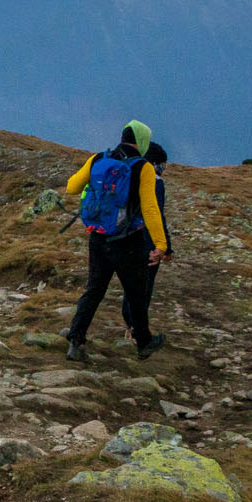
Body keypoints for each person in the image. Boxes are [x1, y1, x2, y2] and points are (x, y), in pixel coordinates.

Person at [63, 120, 169, 362]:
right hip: (128, 241)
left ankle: (75, 340)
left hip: (98, 237)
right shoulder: (143, 167)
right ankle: (144, 343)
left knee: (94, 291)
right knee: (136, 293)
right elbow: (151, 209)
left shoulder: (99, 158)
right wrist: (160, 245)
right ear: (142, 141)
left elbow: (71, 187)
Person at [121, 139, 169, 336]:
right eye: (163, 165)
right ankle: (138, 330)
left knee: (131, 283)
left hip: (127, 238)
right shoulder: (155, 183)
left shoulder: (129, 177)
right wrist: (166, 245)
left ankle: (129, 322)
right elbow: (157, 214)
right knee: (144, 287)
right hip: (148, 242)